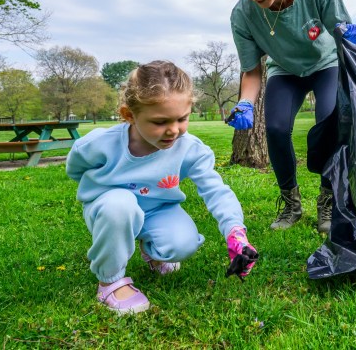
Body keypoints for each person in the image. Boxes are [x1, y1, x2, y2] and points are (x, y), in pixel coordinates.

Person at [66, 61, 258, 315]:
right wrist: (98, 196)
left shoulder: (189, 148)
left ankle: (152, 251)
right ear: (129, 115)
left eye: (182, 118)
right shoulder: (99, 144)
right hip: (110, 207)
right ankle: (110, 281)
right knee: (119, 207)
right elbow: (76, 169)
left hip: (158, 209)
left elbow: (215, 190)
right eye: (159, 121)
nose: (173, 130)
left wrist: (235, 230)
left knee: (183, 244)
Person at [225, 0, 356, 234]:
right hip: (284, 70)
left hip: (326, 64)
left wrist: (348, 38)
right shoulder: (243, 15)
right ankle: (290, 203)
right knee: (275, 127)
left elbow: (343, 35)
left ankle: (328, 199)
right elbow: (251, 70)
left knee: (330, 122)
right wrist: (245, 103)